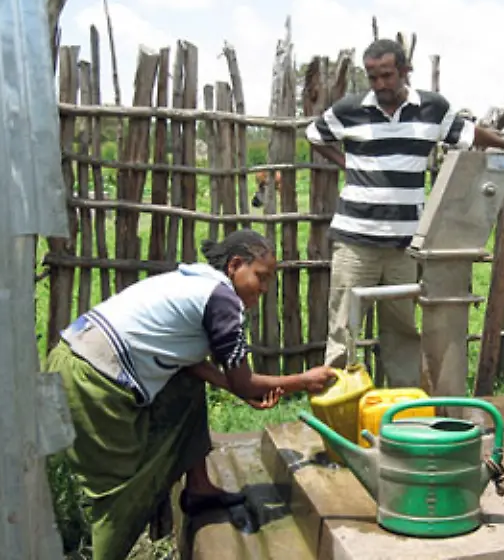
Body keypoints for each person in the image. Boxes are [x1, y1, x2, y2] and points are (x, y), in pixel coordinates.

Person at [44, 229, 335, 559]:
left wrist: (233, 388)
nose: (265, 289)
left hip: (74, 358)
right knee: (122, 492)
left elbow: (190, 366)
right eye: (261, 277)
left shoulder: (197, 282)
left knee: (188, 390)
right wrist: (304, 380)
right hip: (92, 378)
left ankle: (199, 488)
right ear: (236, 265)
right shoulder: (223, 301)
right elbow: (244, 381)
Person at [306, 37, 504, 387]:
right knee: (343, 331)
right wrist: (347, 163)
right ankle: (339, 410)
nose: (380, 84)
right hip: (355, 243)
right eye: (373, 77)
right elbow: (315, 135)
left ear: (406, 71)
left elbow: (467, 134)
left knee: (403, 331)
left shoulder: (431, 109)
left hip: (404, 246)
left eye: (388, 75)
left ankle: (404, 410)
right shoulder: (349, 109)